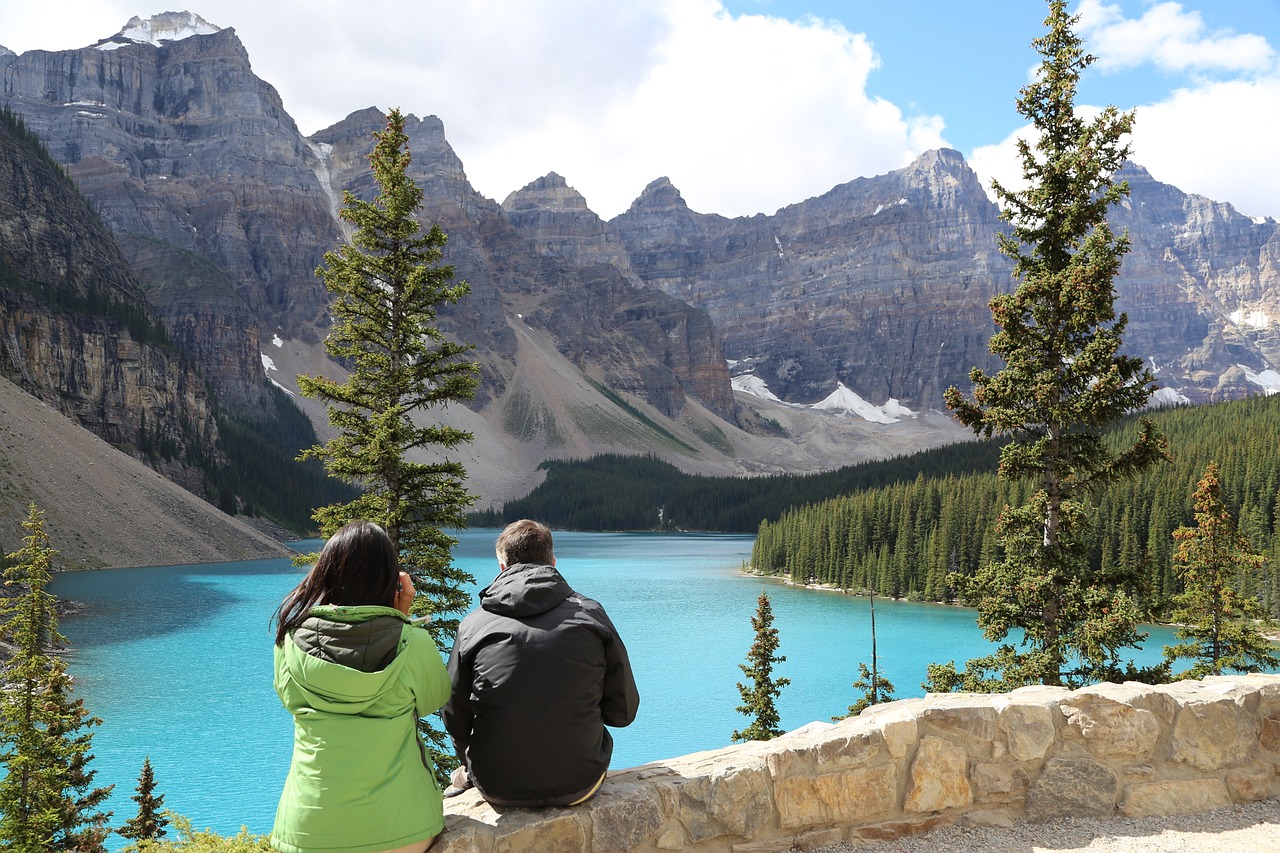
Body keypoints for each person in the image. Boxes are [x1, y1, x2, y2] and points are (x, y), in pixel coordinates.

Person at [270, 521, 450, 853]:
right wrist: (399, 618)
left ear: (324, 574)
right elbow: (433, 699)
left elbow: (288, 699)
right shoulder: (413, 642)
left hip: (308, 833)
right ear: (392, 579)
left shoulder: (289, 642)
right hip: (402, 829)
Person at [442, 519, 640, 807]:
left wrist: (470, 759)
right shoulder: (590, 614)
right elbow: (623, 712)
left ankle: (463, 778)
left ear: (502, 567)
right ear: (553, 562)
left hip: (497, 785)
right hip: (580, 781)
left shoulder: (473, 625)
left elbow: (453, 713)